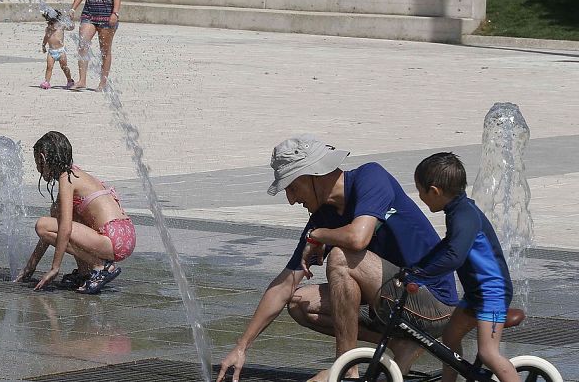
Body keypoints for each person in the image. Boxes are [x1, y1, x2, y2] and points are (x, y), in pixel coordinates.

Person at [216, 134, 458, 382]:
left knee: (341, 257)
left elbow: (358, 238)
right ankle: (401, 343)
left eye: (292, 187)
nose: (291, 199)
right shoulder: (324, 217)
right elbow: (284, 285)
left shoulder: (371, 177)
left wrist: (318, 236)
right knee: (299, 302)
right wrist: (241, 346)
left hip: (433, 303)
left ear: (313, 175)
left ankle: (345, 370)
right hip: (393, 300)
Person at [412, 152, 516, 382]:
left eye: (420, 190)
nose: (420, 196)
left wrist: (422, 275)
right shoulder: (456, 211)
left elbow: (454, 256)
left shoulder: (464, 215)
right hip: (476, 293)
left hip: (493, 293)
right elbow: (447, 246)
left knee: (488, 353)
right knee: (450, 338)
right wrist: (416, 268)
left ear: (435, 191)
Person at [14, 131, 135, 294]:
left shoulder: (66, 179)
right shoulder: (75, 174)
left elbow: (64, 229)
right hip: (123, 234)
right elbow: (52, 232)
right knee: (55, 216)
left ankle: (100, 266)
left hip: (112, 239)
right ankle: (85, 273)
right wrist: (31, 266)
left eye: (37, 163)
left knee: (42, 225)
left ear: (42, 158)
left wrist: (54, 268)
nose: (38, 169)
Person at [68, 0, 121, 91]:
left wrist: (115, 13)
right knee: (82, 44)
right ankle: (82, 80)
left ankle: (103, 83)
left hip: (107, 16)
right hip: (89, 14)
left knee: (105, 51)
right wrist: (73, 8)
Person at [39, 10, 75, 89]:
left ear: (58, 21)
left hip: (61, 51)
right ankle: (46, 82)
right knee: (49, 67)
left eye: (53, 23)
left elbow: (71, 27)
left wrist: (71, 20)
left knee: (64, 67)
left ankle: (69, 80)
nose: (51, 26)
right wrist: (43, 45)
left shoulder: (61, 26)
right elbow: (46, 37)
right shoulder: (48, 29)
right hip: (51, 51)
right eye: (49, 23)